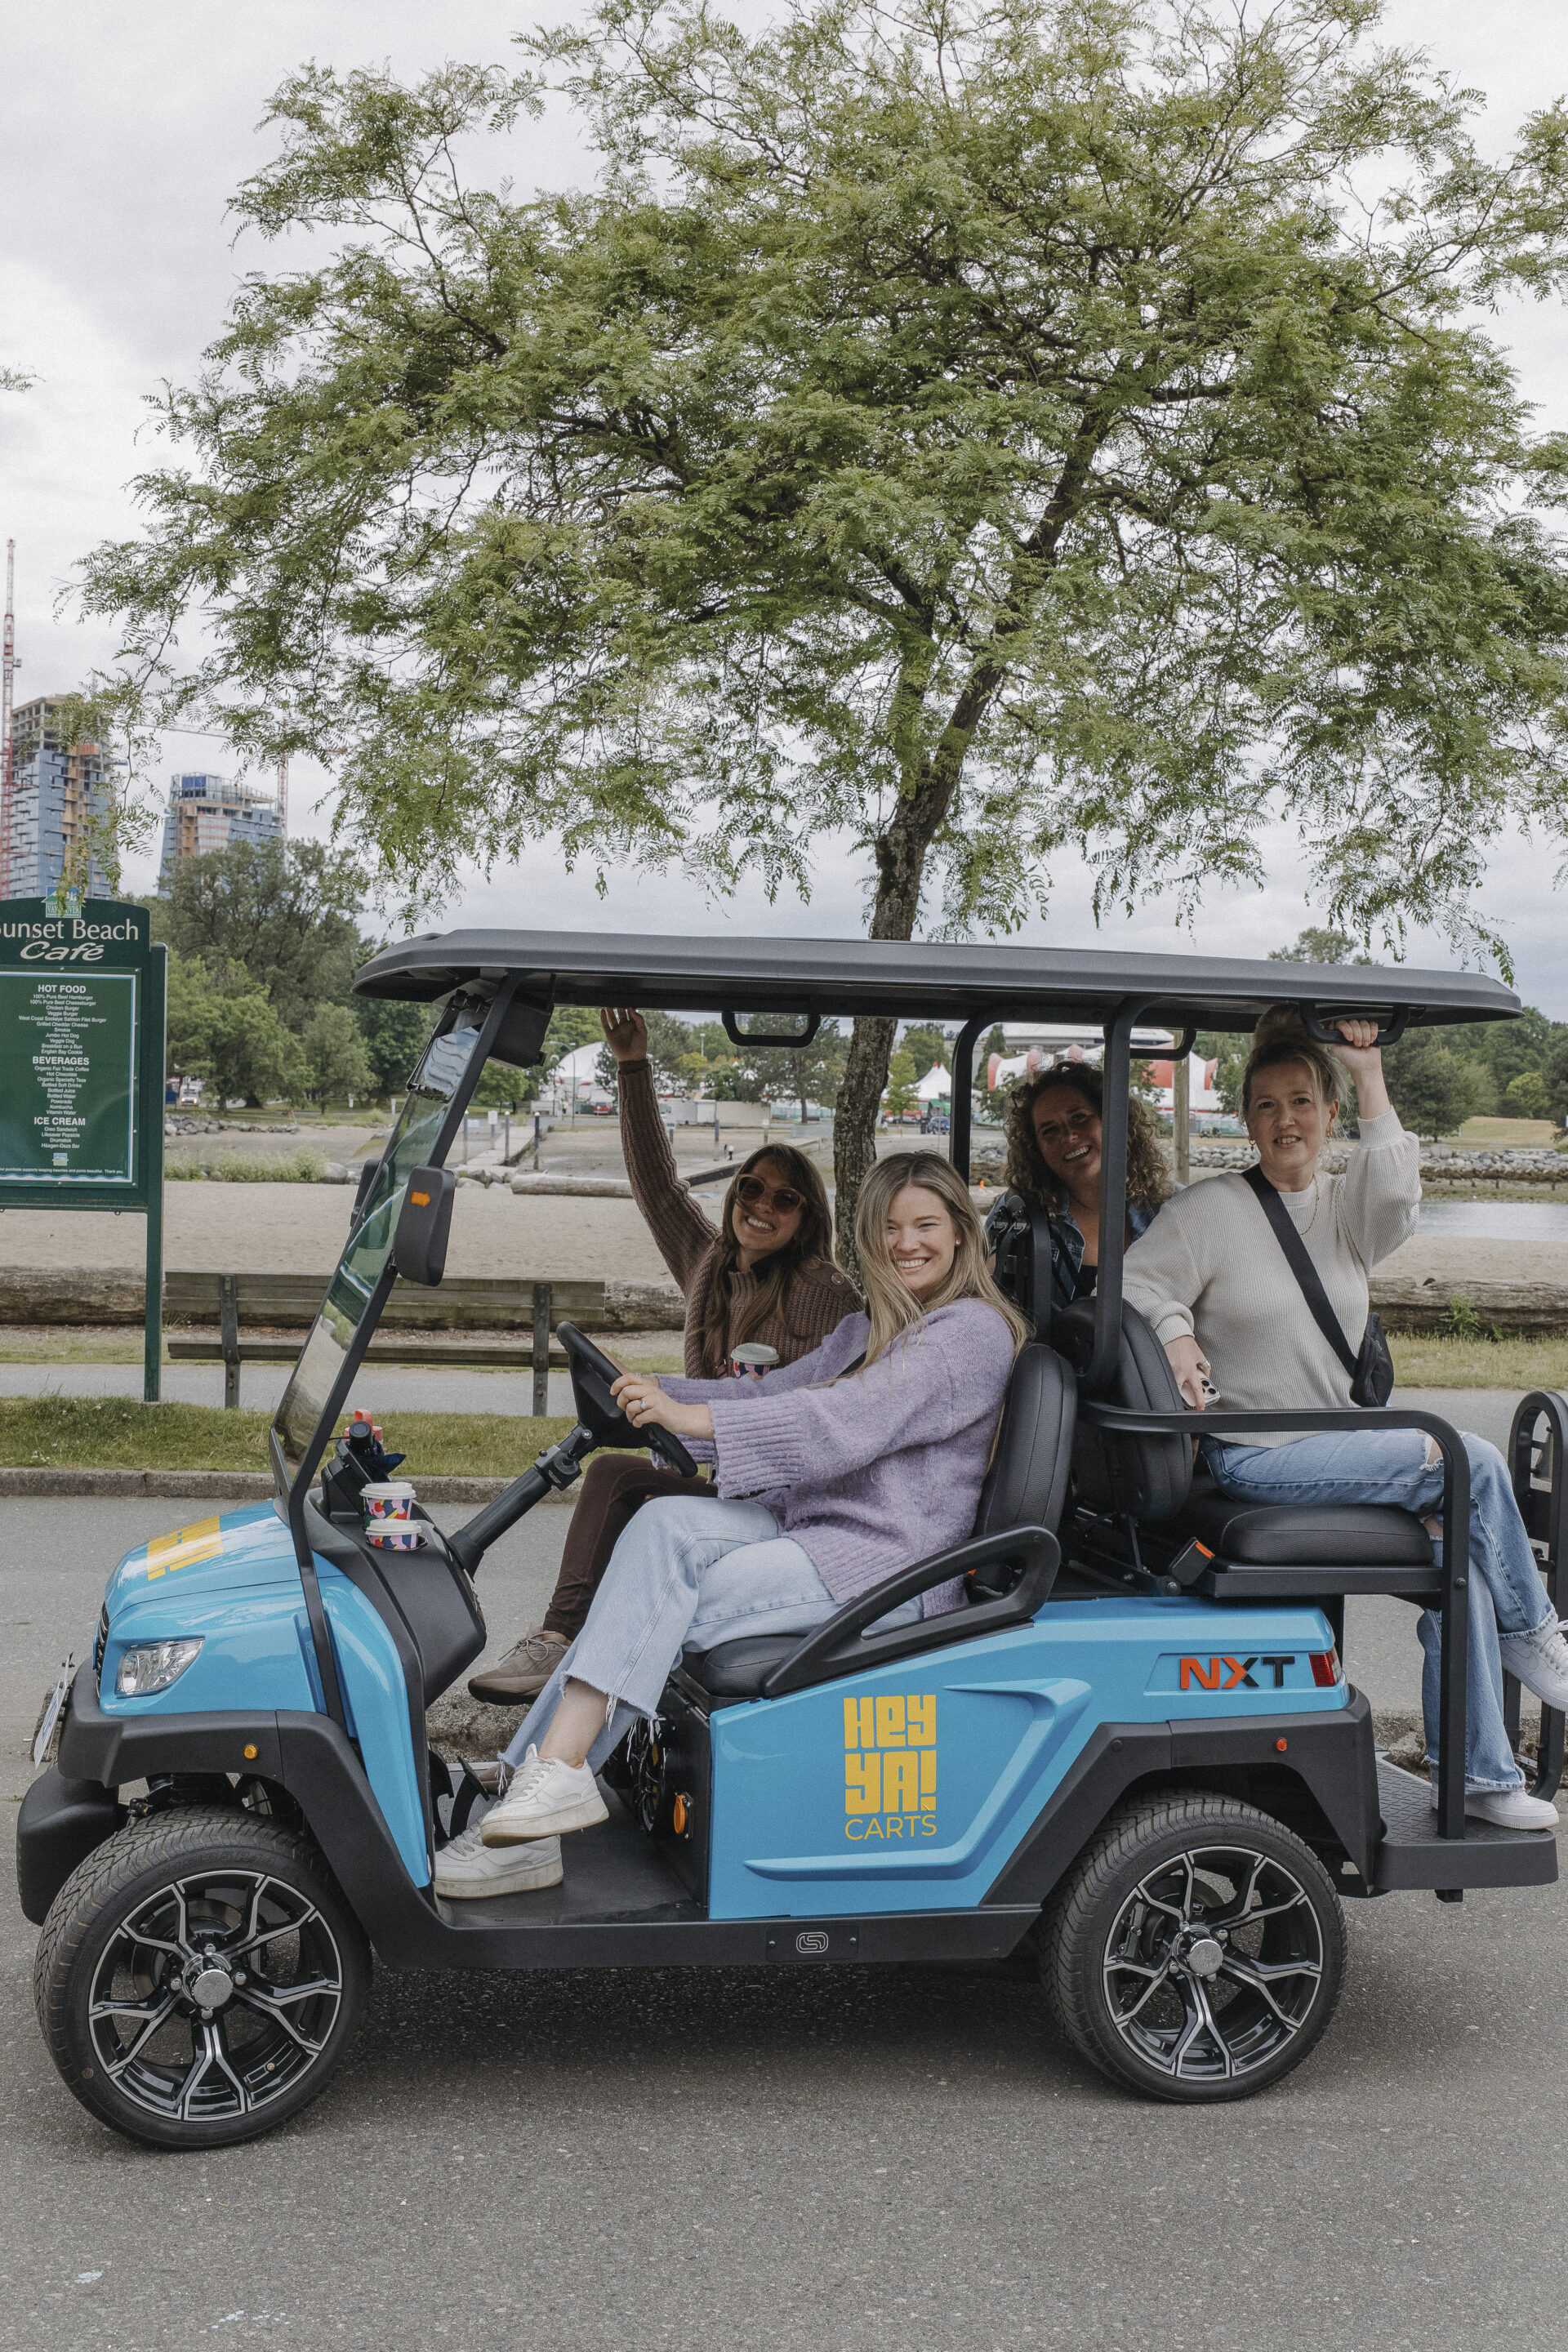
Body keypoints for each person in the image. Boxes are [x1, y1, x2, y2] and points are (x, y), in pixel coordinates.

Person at [435, 1155, 1029, 1896]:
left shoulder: (970, 1333)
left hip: (886, 1568)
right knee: (663, 1527)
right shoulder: (869, 1328)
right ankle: (540, 1784)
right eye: (888, 1227)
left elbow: (841, 1420)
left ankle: (537, 1799)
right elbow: (776, 1392)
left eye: (925, 1225)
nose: (906, 1243)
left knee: (646, 1605)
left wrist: (693, 1420)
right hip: (817, 1532)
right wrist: (650, 1392)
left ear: (962, 1232)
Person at [1122, 1006, 1568, 1830]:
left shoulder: (1346, 1211)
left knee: (1464, 1560)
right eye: (1266, 1105)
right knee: (1465, 1459)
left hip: (1337, 1444)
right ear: (1247, 1120)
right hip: (1254, 1452)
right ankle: (1534, 1630)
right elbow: (1134, 1284)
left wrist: (1367, 1070)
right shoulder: (1210, 1210)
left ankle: (1478, 1775)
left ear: (1330, 1115)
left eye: (1302, 1102)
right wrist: (1178, 1333)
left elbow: (1395, 1189)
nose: (1285, 1120)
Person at [468, 1006, 860, 1704]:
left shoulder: (820, 1292)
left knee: (612, 1478)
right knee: (614, 1469)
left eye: (785, 1199)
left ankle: (559, 1640)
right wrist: (632, 1066)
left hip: (777, 1496)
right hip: (718, 1472)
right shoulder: (712, 1262)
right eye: (750, 1188)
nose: (761, 1206)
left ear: (807, 1219)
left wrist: (682, 1408)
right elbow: (657, 1186)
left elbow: (811, 1403)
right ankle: (585, 1649)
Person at [989, 1060, 1173, 1312]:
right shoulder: (1019, 1210)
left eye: (1079, 1117)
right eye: (1050, 1130)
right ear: (1035, 1149)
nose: (1069, 1135)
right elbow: (984, 1294)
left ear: (1111, 1119)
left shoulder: (1168, 1209)